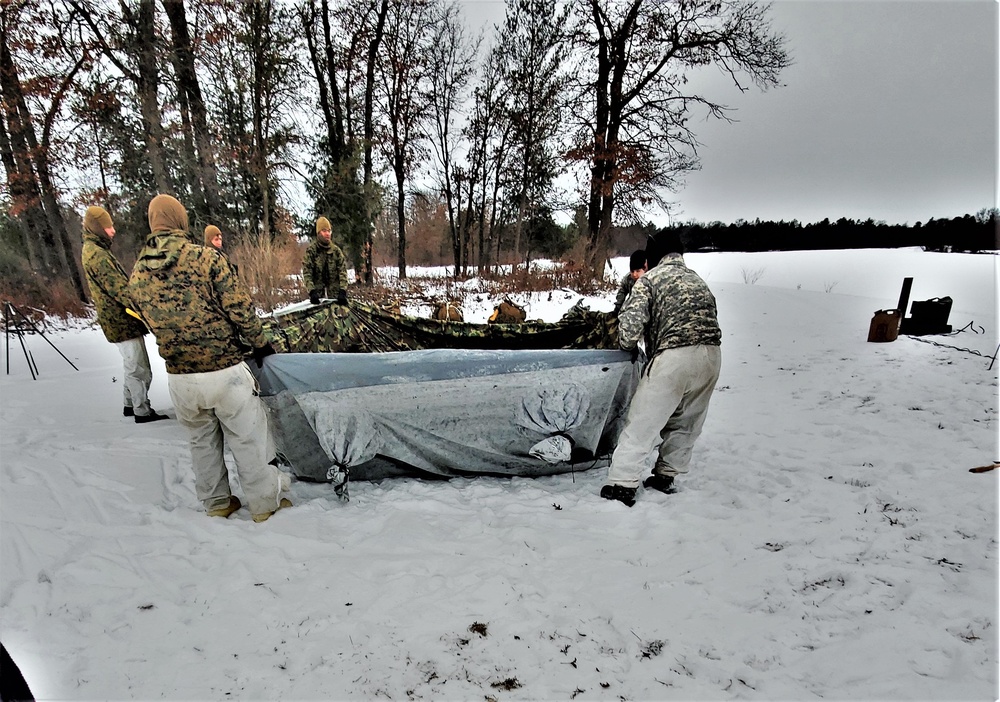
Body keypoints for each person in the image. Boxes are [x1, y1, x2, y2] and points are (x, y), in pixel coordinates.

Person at [128, 194, 292, 523]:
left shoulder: (137, 275)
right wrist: (259, 343)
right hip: (224, 370)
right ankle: (265, 505)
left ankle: (217, 503)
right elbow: (240, 309)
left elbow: (144, 317)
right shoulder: (207, 260)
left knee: (201, 443)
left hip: (180, 377)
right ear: (180, 220)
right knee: (248, 439)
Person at [601, 229, 722, 506]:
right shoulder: (699, 281)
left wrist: (626, 344)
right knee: (686, 421)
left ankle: (622, 484)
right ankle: (666, 474)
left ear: (654, 254)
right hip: (712, 357)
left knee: (643, 420)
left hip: (673, 355)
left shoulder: (650, 280)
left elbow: (628, 332)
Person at [80, 205, 167, 424]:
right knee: (139, 368)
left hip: (120, 320)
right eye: (108, 227)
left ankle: (130, 404)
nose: (113, 231)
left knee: (131, 364)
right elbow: (119, 289)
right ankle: (141, 410)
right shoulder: (96, 255)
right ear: (97, 228)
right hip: (120, 321)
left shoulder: (96, 250)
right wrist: (145, 307)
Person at [303, 216, 349, 306]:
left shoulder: (336, 251)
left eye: (329, 231)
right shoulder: (312, 251)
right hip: (317, 298)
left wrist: (343, 290)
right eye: (324, 231)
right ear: (319, 233)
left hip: (336, 297)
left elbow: (342, 272)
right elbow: (307, 272)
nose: (327, 234)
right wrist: (312, 291)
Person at [612, 249, 647, 314]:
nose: (634, 274)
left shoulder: (651, 280)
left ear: (645, 268)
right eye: (632, 271)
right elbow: (622, 292)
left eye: (638, 271)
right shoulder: (628, 278)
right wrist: (617, 309)